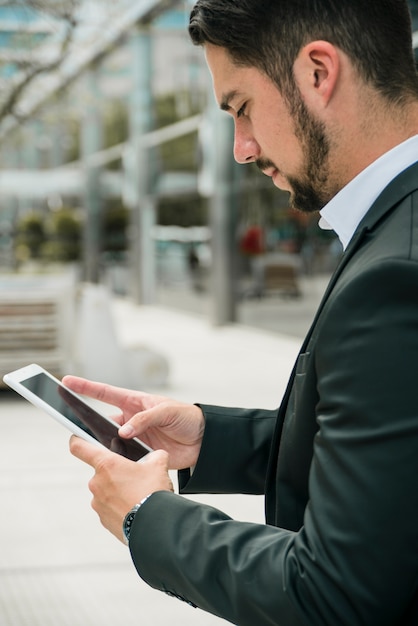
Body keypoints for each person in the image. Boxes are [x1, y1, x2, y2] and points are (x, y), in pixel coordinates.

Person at [65, 1, 418, 624]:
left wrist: (149, 518)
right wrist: (212, 438)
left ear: (317, 72)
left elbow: (335, 594)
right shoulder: (396, 232)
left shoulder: (393, 274)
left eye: (240, 108)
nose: (241, 149)